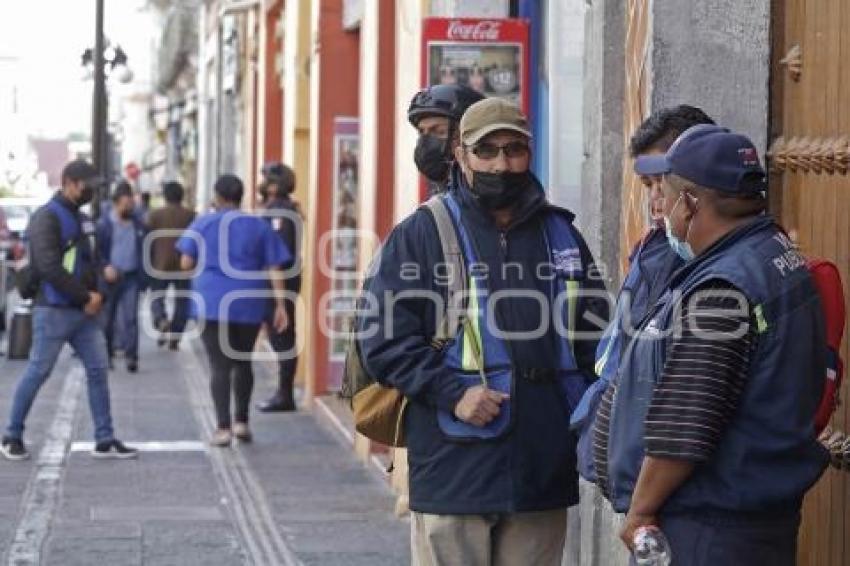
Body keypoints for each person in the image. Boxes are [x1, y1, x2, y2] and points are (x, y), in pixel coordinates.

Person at [359, 99, 609, 565]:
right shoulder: (422, 232)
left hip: (541, 468)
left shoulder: (562, 235)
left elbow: (594, 342)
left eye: (513, 149)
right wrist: (452, 392)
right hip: (454, 467)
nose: (501, 163)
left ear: (529, 152)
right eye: (486, 151)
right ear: (460, 154)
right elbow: (384, 339)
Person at [593, 125, 829, 565]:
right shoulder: (771, 255)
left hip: (707, 531)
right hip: (742, 525)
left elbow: (686, 422)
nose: (659, 206)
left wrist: (640, 510)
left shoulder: (724, 288)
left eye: (665, 192)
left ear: (692, 202)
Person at [572, 105, 715, 482]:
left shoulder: (697, 254)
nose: (654, 199)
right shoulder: (656, 244)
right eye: (647, 186)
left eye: (661, 184)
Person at [0, 160, 138, 460]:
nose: (91, 191)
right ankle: (11, 435)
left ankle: (104, 438)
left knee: (98, 370)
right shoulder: (46, 218)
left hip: (83, 313)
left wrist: (101, 284)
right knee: (38, 371)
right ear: (69, 182)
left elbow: (93, 259)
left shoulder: (84, 219)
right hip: (53, 309)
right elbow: (49, 267)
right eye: (86, 185)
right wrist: (85, 296)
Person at [177, 174, 290, 447]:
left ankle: (223, 429)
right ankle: (242, 423)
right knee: (242, 361)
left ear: (217, 196)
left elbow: (185, 262)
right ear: (241, 196)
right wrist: (280, 305)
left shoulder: (202, 223)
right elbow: (274, 266)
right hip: (248, 301)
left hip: (212, 301)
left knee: (219, 364)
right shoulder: (258, 225)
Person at [256, 162, 302, 412]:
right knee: (281, 336)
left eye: (266, 178)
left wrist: (280, 301)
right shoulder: (283, 209)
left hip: (279, 283)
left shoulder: (279, 212)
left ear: (275, 185)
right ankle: (283, 393)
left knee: (282, 336)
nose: (261, 183)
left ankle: (285, 395)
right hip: (280, 283)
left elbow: (278, 256)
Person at [97, 181, 147, 373]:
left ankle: (131, 357)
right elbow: (97, 252)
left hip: (131, 276)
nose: (129, 207)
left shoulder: (138, 224)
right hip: (111, 278)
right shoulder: (104, 225)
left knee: (131, 318)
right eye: (125, 203)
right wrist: (105, 267)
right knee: (107, 319)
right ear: (116, 203)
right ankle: (107, 355)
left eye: (131, 203)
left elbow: (144, 250)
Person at [407, 83, 485, 194]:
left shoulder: (494, 201)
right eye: (421, 133)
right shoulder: (439, 203)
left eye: (439, 131)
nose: (426, 142)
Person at [146, 180, 195, 350]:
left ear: (165, 196)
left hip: (159, 263)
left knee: (157, 296)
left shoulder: (155, 215)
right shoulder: (191, 215)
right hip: (184, 265)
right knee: (182, 302)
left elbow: (147, 239)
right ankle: (175, 337)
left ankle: (160, 320)